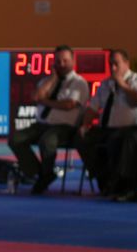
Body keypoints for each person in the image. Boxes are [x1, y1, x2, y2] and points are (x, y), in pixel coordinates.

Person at [7, 45, 90, 195]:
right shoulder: (47, 81)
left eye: (65, 61)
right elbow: (35, 96)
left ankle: (45, 175)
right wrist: (53, 78)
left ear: (73, 62)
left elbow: (69, 105)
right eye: (58, 61)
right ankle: (40, 174)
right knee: (15, 138)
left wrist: (45, 101)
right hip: (42, 124)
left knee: (47, 140)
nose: (61, 64)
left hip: (65, 127)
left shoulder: (79, 83)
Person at [76, 49, 137, 197]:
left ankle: (119, 183)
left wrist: (122, 84)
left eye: (116, 64)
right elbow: (93, 108)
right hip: (106, 128)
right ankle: (103, 178)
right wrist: (84, 125)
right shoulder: (105, 84)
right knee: (81, 139)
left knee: (115, 140)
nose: (113, 68)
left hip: (131, 128)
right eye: (110, 64)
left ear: (127, 63)